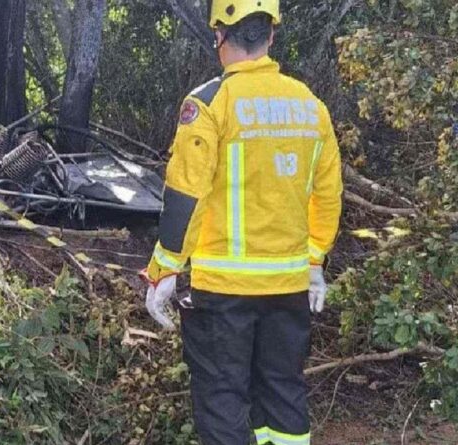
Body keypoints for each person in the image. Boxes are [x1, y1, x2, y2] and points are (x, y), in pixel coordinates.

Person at [141, 1, 343, 444]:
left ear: (219, 36)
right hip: (289, 286)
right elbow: (327, 195)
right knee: (284, 394)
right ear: (271, 35)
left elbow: (187, 193)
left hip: (224, 292)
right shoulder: (311, 107)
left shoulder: (210, 103)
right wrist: (313, 262)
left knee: (222, 399)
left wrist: (166, 269)